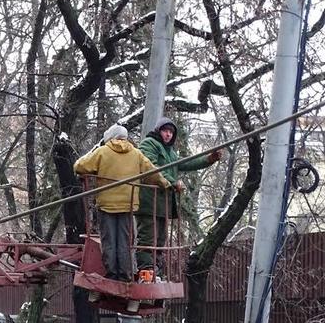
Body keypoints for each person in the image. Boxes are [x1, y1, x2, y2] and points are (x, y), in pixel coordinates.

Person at [74, 124, 174, 312]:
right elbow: (152, 172)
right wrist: (166, 184)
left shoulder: (102, 152)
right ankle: (126, 276)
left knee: (109, 242)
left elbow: (80, 166)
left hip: (106, 206)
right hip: (128, 207)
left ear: (109, 137)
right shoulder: (136, 154)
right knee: (127, 243)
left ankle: (112, 276)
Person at [136, 117, 222, 275]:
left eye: (171, 132)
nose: (168, 134)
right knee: (147, 239)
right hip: (149, 202)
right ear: (158, 130)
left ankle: (156, 272)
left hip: (163, 204)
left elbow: (186, 163)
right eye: (165, 130)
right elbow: (151, 167)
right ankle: (145, 273)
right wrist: (172, 182)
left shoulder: (170, 152)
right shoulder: (149, 144)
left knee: (160, 241)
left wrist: (208, 159)